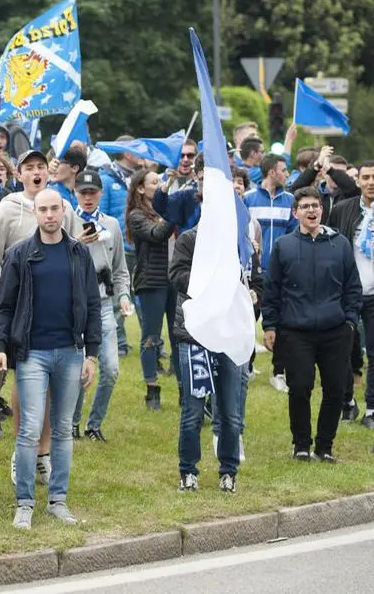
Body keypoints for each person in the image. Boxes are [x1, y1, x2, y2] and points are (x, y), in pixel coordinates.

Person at [0, 188, 100, 529]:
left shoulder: (79, 253)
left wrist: (92, 355)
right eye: (43, 210)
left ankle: (58, 500)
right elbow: (4, 305)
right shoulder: (21, 254)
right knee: (29, 429)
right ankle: (24, 502)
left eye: (55, 209)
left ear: (63, 211)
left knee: (64, 429)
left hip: (70, 352)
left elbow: (94, 305)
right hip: (32, 354)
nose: (50, 215)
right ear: (34, 213)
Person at [0, 149, 77, 482]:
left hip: (56, 313)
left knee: (52, 389)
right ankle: (22, 452)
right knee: (24, 385)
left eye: (41, 166)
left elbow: (73, 248)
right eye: (29, 168)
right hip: (17, 309)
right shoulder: (7, 210)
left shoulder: (60, 207)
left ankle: (43, 453)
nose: (36, 172)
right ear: (19, 174)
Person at [261, 187, 362, 462]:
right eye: (305, 206)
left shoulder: (339, 244)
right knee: (301, 387)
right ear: (296, 213)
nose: (311, 211)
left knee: (335, 390)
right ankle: (301, 445)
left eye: (315, 206)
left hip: (335, 330)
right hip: (296, 331)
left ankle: (325, 447)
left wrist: (350, 321)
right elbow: (272, 290)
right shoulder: (284, 246)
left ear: (322, 210)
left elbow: (353, 286)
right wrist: (270, 325)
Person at [169, 222, 250, 493]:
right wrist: (209, 279)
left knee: (229, 410)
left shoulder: (236, 239)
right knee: (193, 411)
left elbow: (252, 276)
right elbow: (177, 275)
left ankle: (229, 471)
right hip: (195, 335)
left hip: (228, 334)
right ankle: (188, 472)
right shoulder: (189, 239)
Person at [69, 170, 132, 442]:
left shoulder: (112, 225)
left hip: (104, 305)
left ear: (100, 194)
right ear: (75, 193)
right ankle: (71, 423)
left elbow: (120, 269)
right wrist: (75, 242)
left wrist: (124, 296)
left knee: (112, 369)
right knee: (78, 370)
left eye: (92, 192)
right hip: (73, 305)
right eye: (83, 192)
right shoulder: (65, 222)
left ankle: (94, 424)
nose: (87, 197)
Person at [243, 153, 296, 393]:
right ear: (272, 172)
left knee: (282, 323)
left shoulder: (290, 200)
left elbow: (296, 235)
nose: (287, 174)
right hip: (253, 273)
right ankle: (248, 365)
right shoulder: (247, 199)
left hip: (282, 273)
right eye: (284, 170)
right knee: (248, 320)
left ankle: (279, 372)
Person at [327, 161, 374, 430]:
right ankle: (347, 401)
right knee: (342, 350)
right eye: (365, 177)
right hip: (348, 293)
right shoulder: (344, 209)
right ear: (358, 181)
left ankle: (372, 407)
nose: (370, 182)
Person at [126, 169, 177, 411]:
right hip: (152, 281)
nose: (160, 185)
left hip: (176, 280)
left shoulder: (166, 208)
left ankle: (183, 387)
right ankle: (152, 389)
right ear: (140, 188)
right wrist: (173, 214)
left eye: (161, 181)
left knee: (180, 335)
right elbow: (157, 234)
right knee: (151, 337)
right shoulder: (137, 215)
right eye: (154, 182)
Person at [99, 136, 143, 356]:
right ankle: (119, 344)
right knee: (117, 296)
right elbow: (102, 215)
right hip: (119, 246)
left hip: (140, 245)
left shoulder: (138, 179)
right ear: (127, 153)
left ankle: (148, 344)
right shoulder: (106, 179)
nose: (141, 153)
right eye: (136, 149)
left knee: (139, 296)